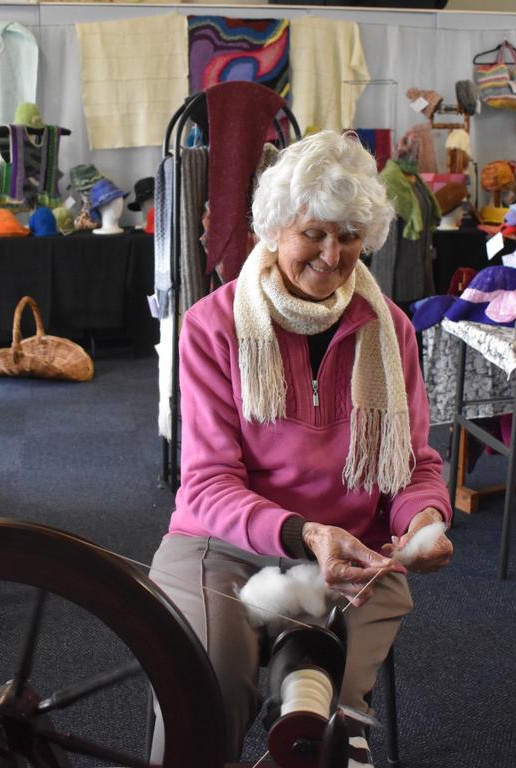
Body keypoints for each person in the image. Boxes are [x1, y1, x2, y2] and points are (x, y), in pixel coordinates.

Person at [149, 130, 453, 765]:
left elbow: (413, 465)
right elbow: (205, 486)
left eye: (348, 235)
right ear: (275, 228)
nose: (332, 253)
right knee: (206, 679)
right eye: (314, 233)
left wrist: (423, 517)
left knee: (322, 703)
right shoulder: (213, 325)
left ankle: (324, 734)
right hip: (221, 539)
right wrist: (301, 532)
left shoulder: (388, 327)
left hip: (348, 546)